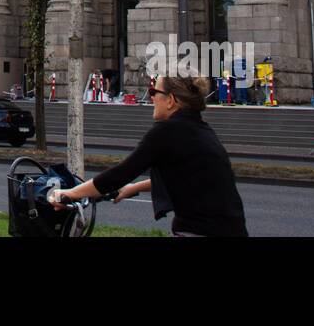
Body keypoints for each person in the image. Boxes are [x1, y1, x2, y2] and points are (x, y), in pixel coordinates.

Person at [50, 74, 248, 236]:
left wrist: (71, 193)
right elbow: (187, 175)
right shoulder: (200, 129)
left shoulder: (167, 131)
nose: (151, 96)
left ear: (170, 100)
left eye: (155, 91)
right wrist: (133, 188)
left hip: (200, 231)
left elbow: (120, 174)